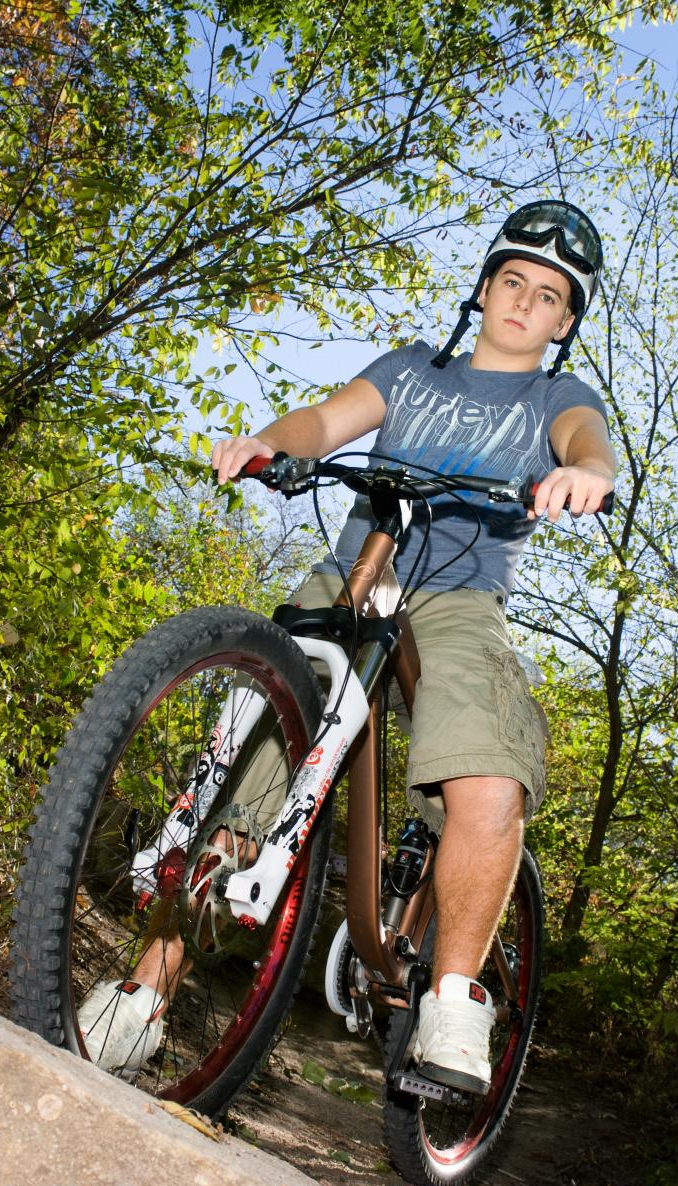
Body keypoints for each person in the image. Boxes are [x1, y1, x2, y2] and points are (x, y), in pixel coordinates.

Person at [80, 200, 615, 1095]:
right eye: (512, 281)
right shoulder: (411, 370)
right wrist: (265, 444)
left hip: (456, 598)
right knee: (242, 779)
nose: (524, 301)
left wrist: (584, 475)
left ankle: (451, 999)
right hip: (351, 575)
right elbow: (325, 424)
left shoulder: (553, 396)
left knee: (487, 778)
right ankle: (141, 1000)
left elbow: (585, 445)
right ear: (484, 290)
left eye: (547, 295)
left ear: (563, 321)